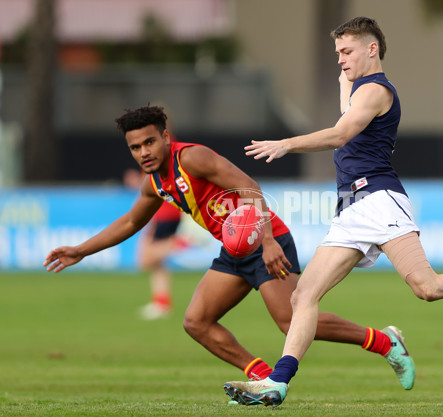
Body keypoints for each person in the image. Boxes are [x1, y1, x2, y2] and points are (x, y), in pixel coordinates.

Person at [222, 16, 443, 407]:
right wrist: (344, 78)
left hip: (378, 199)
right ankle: (278, 383)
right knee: (303, 296)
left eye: (347, 51)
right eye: (337, 52)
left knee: (429, 288)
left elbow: (340, 134)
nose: (340, 59)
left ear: (372, 49)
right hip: (350, 209)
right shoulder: (359, 90)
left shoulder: (375, 90)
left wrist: (287, 143)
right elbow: (347, 116)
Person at [43, 105, 417, 395]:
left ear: (165, 137)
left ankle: (385, 342)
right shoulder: (154, 183)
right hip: (234, 250)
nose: (143, 152)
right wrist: (80, 250)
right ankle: (263, 378)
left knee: (291, 322)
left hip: (266, 240)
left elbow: (249, 186)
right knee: (196, 321)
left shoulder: (190, 158)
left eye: (149, 142)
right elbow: (129, 223)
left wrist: (269, 241)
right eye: (135, 147)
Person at [124, 166, 185, 320]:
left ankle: (182, 243)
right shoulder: (158, 149)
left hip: (164, 212)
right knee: (158, 263)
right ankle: (162, 303)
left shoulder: (157, 149)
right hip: (166, 212)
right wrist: (138, 182)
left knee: (144, 260)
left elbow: (162, 180)